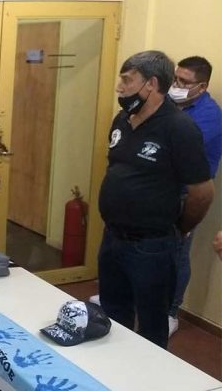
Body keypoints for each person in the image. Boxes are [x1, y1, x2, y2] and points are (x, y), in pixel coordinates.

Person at [97, 50, 214, 349]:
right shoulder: (122, 120)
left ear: (150, 84)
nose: (119, 87)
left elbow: (202, 192)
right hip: (112, 238)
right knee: (111, 316)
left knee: (151, 325)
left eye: (127, 80)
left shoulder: (179, 128)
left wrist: (179, 227)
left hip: (151, 246)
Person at [166, 56, 221, 336]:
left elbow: (175, 149)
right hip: (162, 190)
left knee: (178, 252)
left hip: (189, 197)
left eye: (184, 82)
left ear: (202, 86)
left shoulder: (209, 115)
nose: (176, 85)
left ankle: (171, 311)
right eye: (176, 78)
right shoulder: (172, 105)